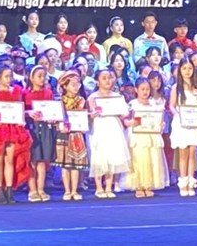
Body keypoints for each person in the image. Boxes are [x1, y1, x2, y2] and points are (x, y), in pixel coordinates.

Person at [0, 65, 32, 203]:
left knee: (9, 159)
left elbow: (18, 109)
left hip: (12, 128)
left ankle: (9, 190)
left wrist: (21, 119)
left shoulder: (16, 91)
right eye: (6, 76)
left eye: (10, 76)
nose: (9, 79)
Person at [88, 68, 132, 198]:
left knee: (112, 156)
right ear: (97, 81)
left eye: (109, 78)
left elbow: (124, 114)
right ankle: (99, 187)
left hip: (113, 127)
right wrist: (93, 114)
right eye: (104, 78)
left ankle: (108, 187)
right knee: (99, 157)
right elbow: (89, 116)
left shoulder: (117, 96)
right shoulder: (93, 97)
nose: (108, 81)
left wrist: (125, 113)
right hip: (99, 127)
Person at [123, 77, 168, 197]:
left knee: (152, 159)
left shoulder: (154, 104)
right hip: (137, 136)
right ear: (136, 90)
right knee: (139, 159)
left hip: (151, 135)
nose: (145, 92)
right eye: (142, 89)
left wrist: (161, 125)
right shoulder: (132, 104)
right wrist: (131, 123)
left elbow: (158, 120)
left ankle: (148, 185)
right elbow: (126, 120)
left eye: (147, 89)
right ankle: (138, 186)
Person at [168, 60, 197, 196]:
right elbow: (171, 105)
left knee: (192, 152)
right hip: (181, 123)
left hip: (193, 123)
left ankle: (190, 182)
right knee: (183, 153)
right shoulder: (176, 88)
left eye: (190, 68)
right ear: (180, 70)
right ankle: (183, 182)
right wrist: (178, 115)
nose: (187, 71)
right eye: (184, 68)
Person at [24, 66, 57, 202]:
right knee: (32, 160)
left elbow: (52, 110)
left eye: (44, 76)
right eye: (39, 76)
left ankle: (41, 188)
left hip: (44, 128)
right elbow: (20, 110)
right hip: (31, 128)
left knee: (42, 160)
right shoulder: (25, 93)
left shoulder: (48, 93)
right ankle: (32, 190)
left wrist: (53, 117)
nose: (42, 79)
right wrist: (28, 113)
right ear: (31, 78)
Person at [54, 71, 88, 200]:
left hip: (76, 134)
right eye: (72, 84)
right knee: (65, 164)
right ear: (65, 86)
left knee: (75, 164)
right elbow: (57, 118)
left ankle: (74, 190)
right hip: (64, 134)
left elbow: (83, 116)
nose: (76, 87)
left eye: (78, 84)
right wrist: (59, 124)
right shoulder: (60, 101)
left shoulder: (81, 100)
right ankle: (67, 190)